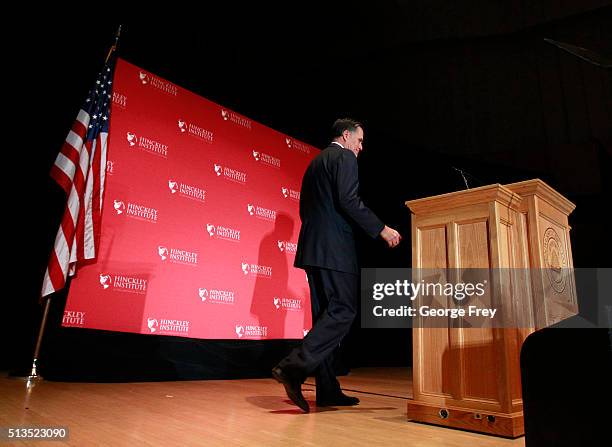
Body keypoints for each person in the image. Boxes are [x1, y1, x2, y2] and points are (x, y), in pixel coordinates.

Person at [272, 118, 401, 412]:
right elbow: (348, 200)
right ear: (346, 136)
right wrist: (382, 229)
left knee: (325, 319)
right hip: (334, 250)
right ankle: (293, 366)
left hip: (313, 250)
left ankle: (328, 389)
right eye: (359, 140)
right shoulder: (344, 157)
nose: (361, 147)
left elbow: (307, 209)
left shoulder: (315, 163)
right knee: (343, 309)